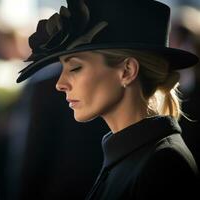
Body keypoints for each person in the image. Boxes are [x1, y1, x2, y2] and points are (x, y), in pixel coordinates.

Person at [16, 0, 199, 199]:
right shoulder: (129, 153)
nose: (60, 83)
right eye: (62, 69)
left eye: (75, 68)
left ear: (127, 71)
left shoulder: (164, 164)